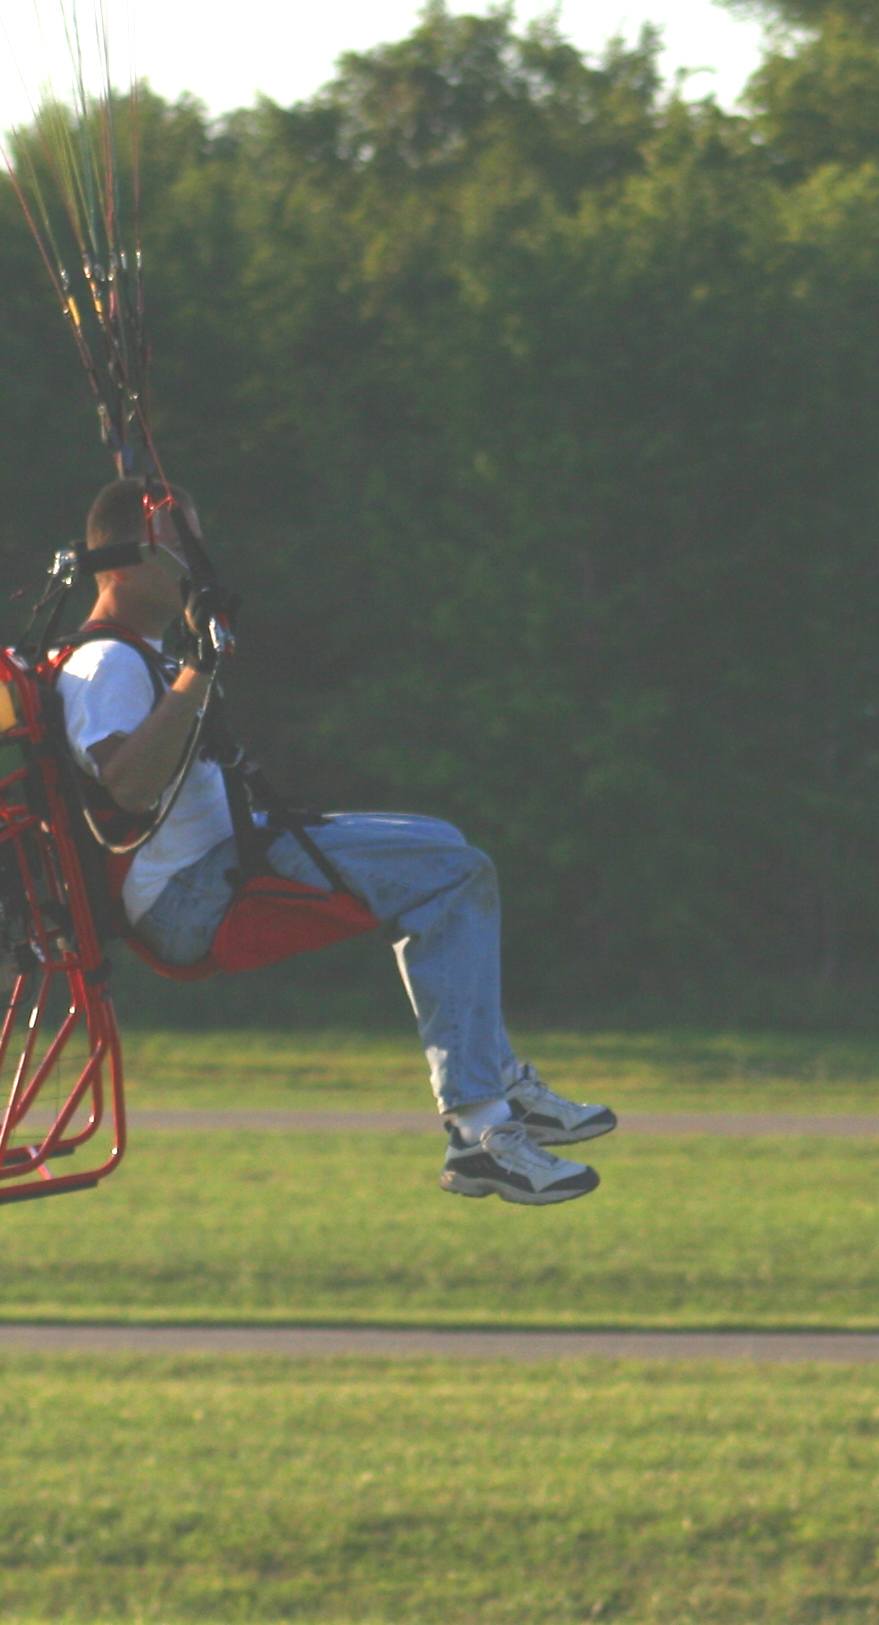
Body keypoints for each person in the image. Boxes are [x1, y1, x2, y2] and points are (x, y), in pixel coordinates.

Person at [51, 480, 616, 1205]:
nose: (197, 565)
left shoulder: (142, 655)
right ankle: (481, 1129)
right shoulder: (105, 664)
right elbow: (127, 784)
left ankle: (497, 1082)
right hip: (189, 896)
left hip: (220, 858)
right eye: (177, 548)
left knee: (446, 848)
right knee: (453, 873)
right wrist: (201, 665)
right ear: (123, 566)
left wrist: (194, 660)